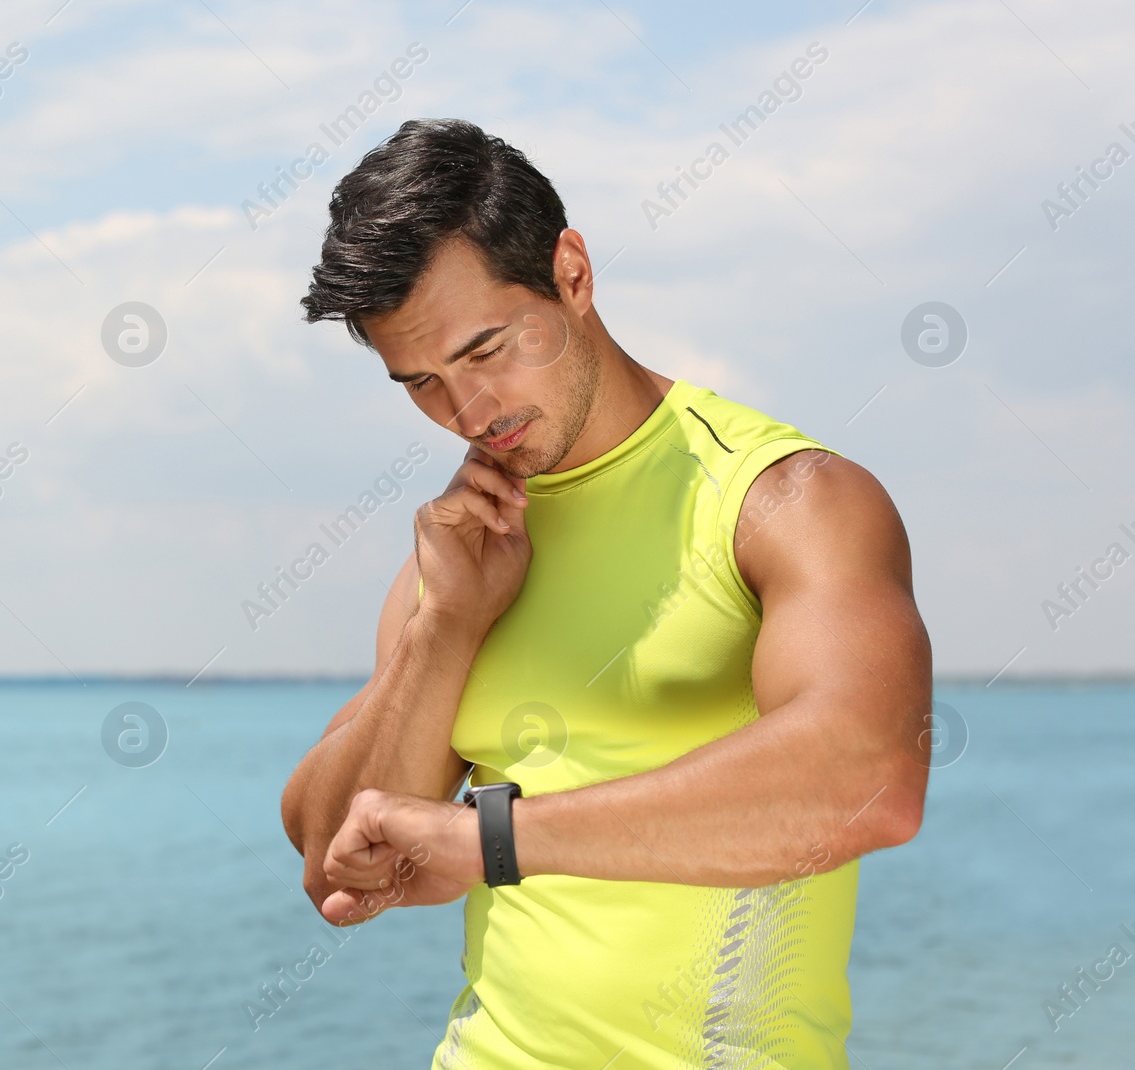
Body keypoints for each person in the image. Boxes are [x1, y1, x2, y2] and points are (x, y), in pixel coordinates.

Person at [278, 118, 932, 1070]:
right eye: (419, 382)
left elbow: (868, 783)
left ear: (572, 274)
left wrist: (494, 843)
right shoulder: (467, 544)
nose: (467, 412)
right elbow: (333, 863)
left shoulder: (783, 500)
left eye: (489, 349)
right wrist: (447, 625)